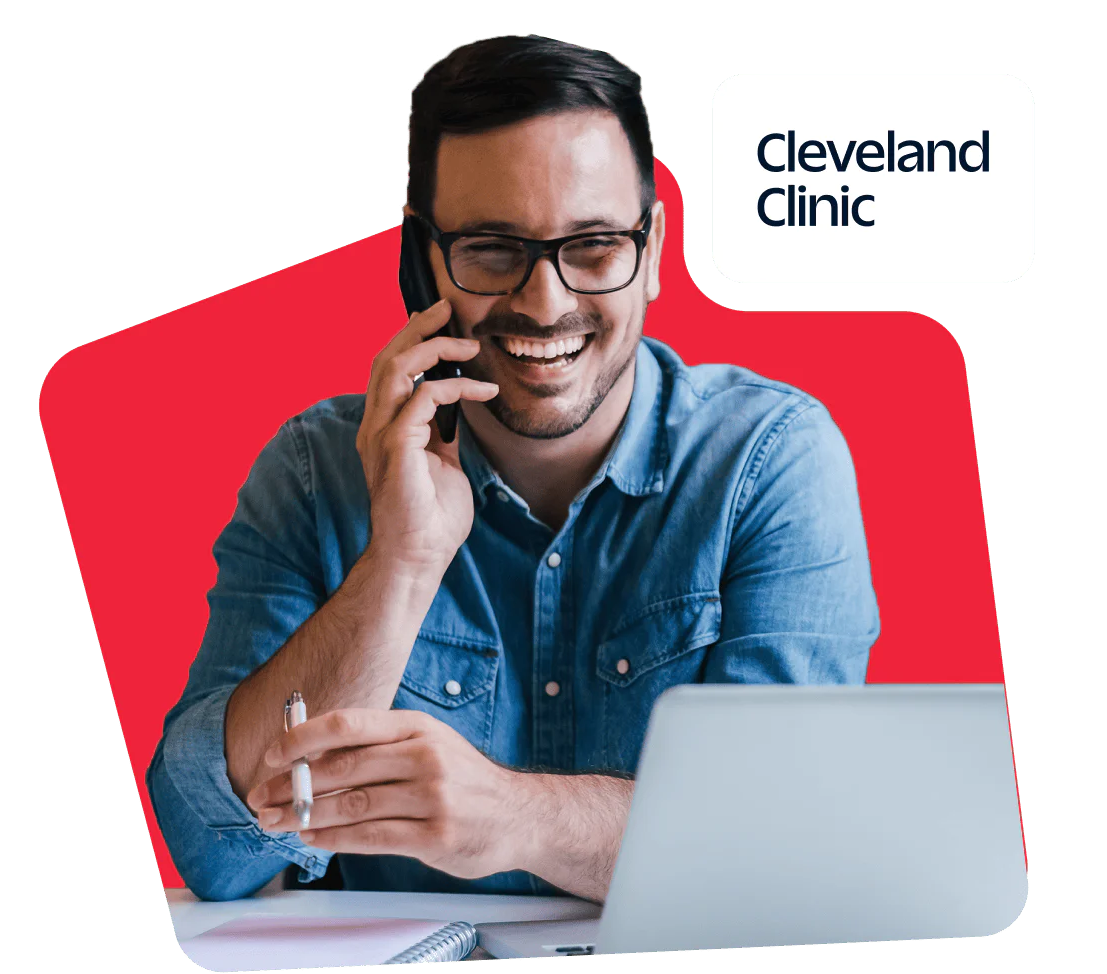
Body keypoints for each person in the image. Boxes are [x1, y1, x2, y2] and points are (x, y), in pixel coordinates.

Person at [147, 34, 879, 904]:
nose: (545, 302)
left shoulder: (769, 463)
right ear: (423, 260)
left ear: (652, 249)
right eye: (493, 249)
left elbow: (788, 846)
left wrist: (513, 816)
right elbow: (212, 851)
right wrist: (402, 565)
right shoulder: (314, 475)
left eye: (595, 246)